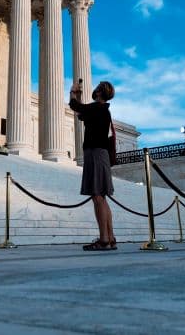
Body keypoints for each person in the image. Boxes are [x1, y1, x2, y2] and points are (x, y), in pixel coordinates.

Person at [69, 79, 117, 251]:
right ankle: (110, 238)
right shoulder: (102, 110)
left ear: (98, 92)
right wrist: (79, 98)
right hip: (101, 154)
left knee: (97, 196)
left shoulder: (98, 108)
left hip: (95, 153)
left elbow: (76, 107)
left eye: (96, 89)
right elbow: (82, 113)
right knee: (102, 197)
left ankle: (104, 239)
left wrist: (73, 93)